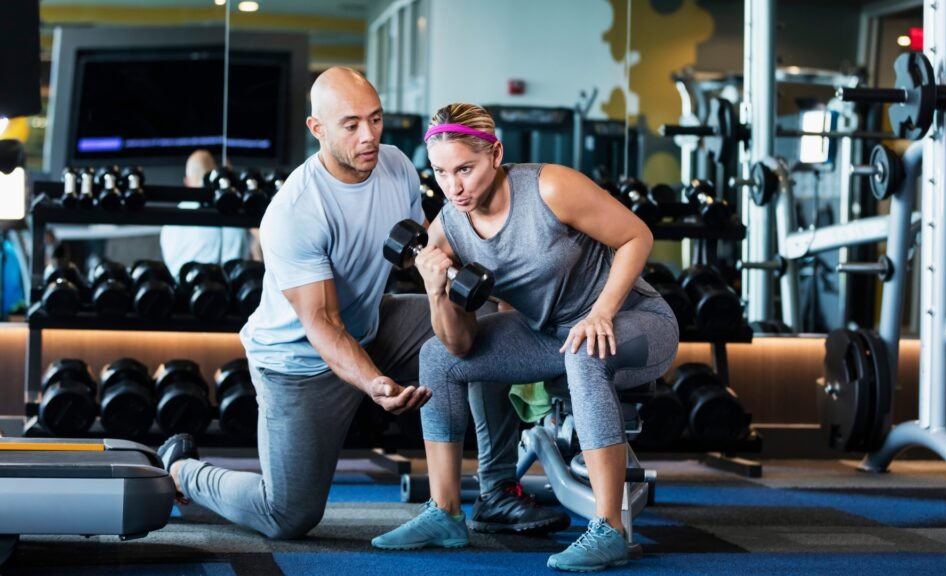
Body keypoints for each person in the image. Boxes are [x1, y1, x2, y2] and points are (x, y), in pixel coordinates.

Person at [155, 68, 566, 540]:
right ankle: (183, 470)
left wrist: (500, 289)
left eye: (375, 119)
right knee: (287, 515)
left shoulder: (396, 166)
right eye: (351, 125)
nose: (369, 135)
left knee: (490, 324)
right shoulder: (295, 211)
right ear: (317, 129)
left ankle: (495, 491)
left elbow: (423, 248)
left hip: (374, 325)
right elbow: (323, 323)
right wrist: (373, 382)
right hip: (299, 361)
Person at [371, 103, 679, 571]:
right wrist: (436, 291)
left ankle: (609, 529)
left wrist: (600, 313)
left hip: (634, 320)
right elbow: (459, 346)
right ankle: (445, 512)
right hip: (549, 332)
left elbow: (637, 236)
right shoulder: (449, 227)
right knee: (437, 357)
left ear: (495, 154)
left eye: (465, 169)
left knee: (584, 353)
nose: (454, 187)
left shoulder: (549, 187)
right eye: (441, 172)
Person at [159, 149, 251, 280]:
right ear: (214, 177)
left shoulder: (170, 223)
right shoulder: (235, 213)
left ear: (187, 182)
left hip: (185, 289)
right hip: (231, 288)